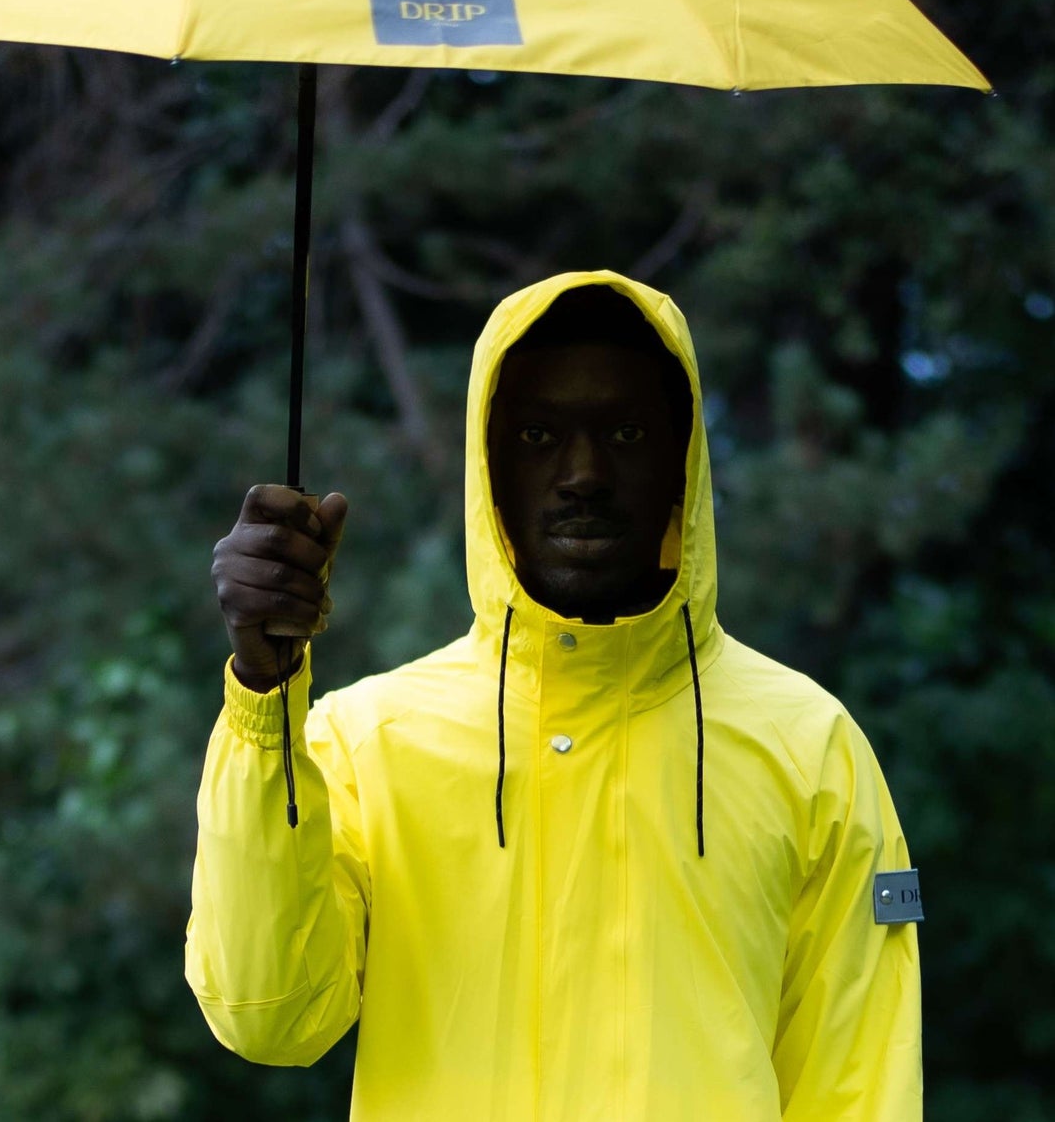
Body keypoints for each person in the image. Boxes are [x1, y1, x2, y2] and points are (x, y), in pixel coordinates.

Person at [186, 270, 922, 1121]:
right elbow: (269, 1014)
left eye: (624, 431)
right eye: (538, 434)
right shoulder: (363, 740)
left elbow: (858, 1088)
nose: (582, 473)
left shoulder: (811, 745)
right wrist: (264, 700)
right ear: (490, 467)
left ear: (681, 463)